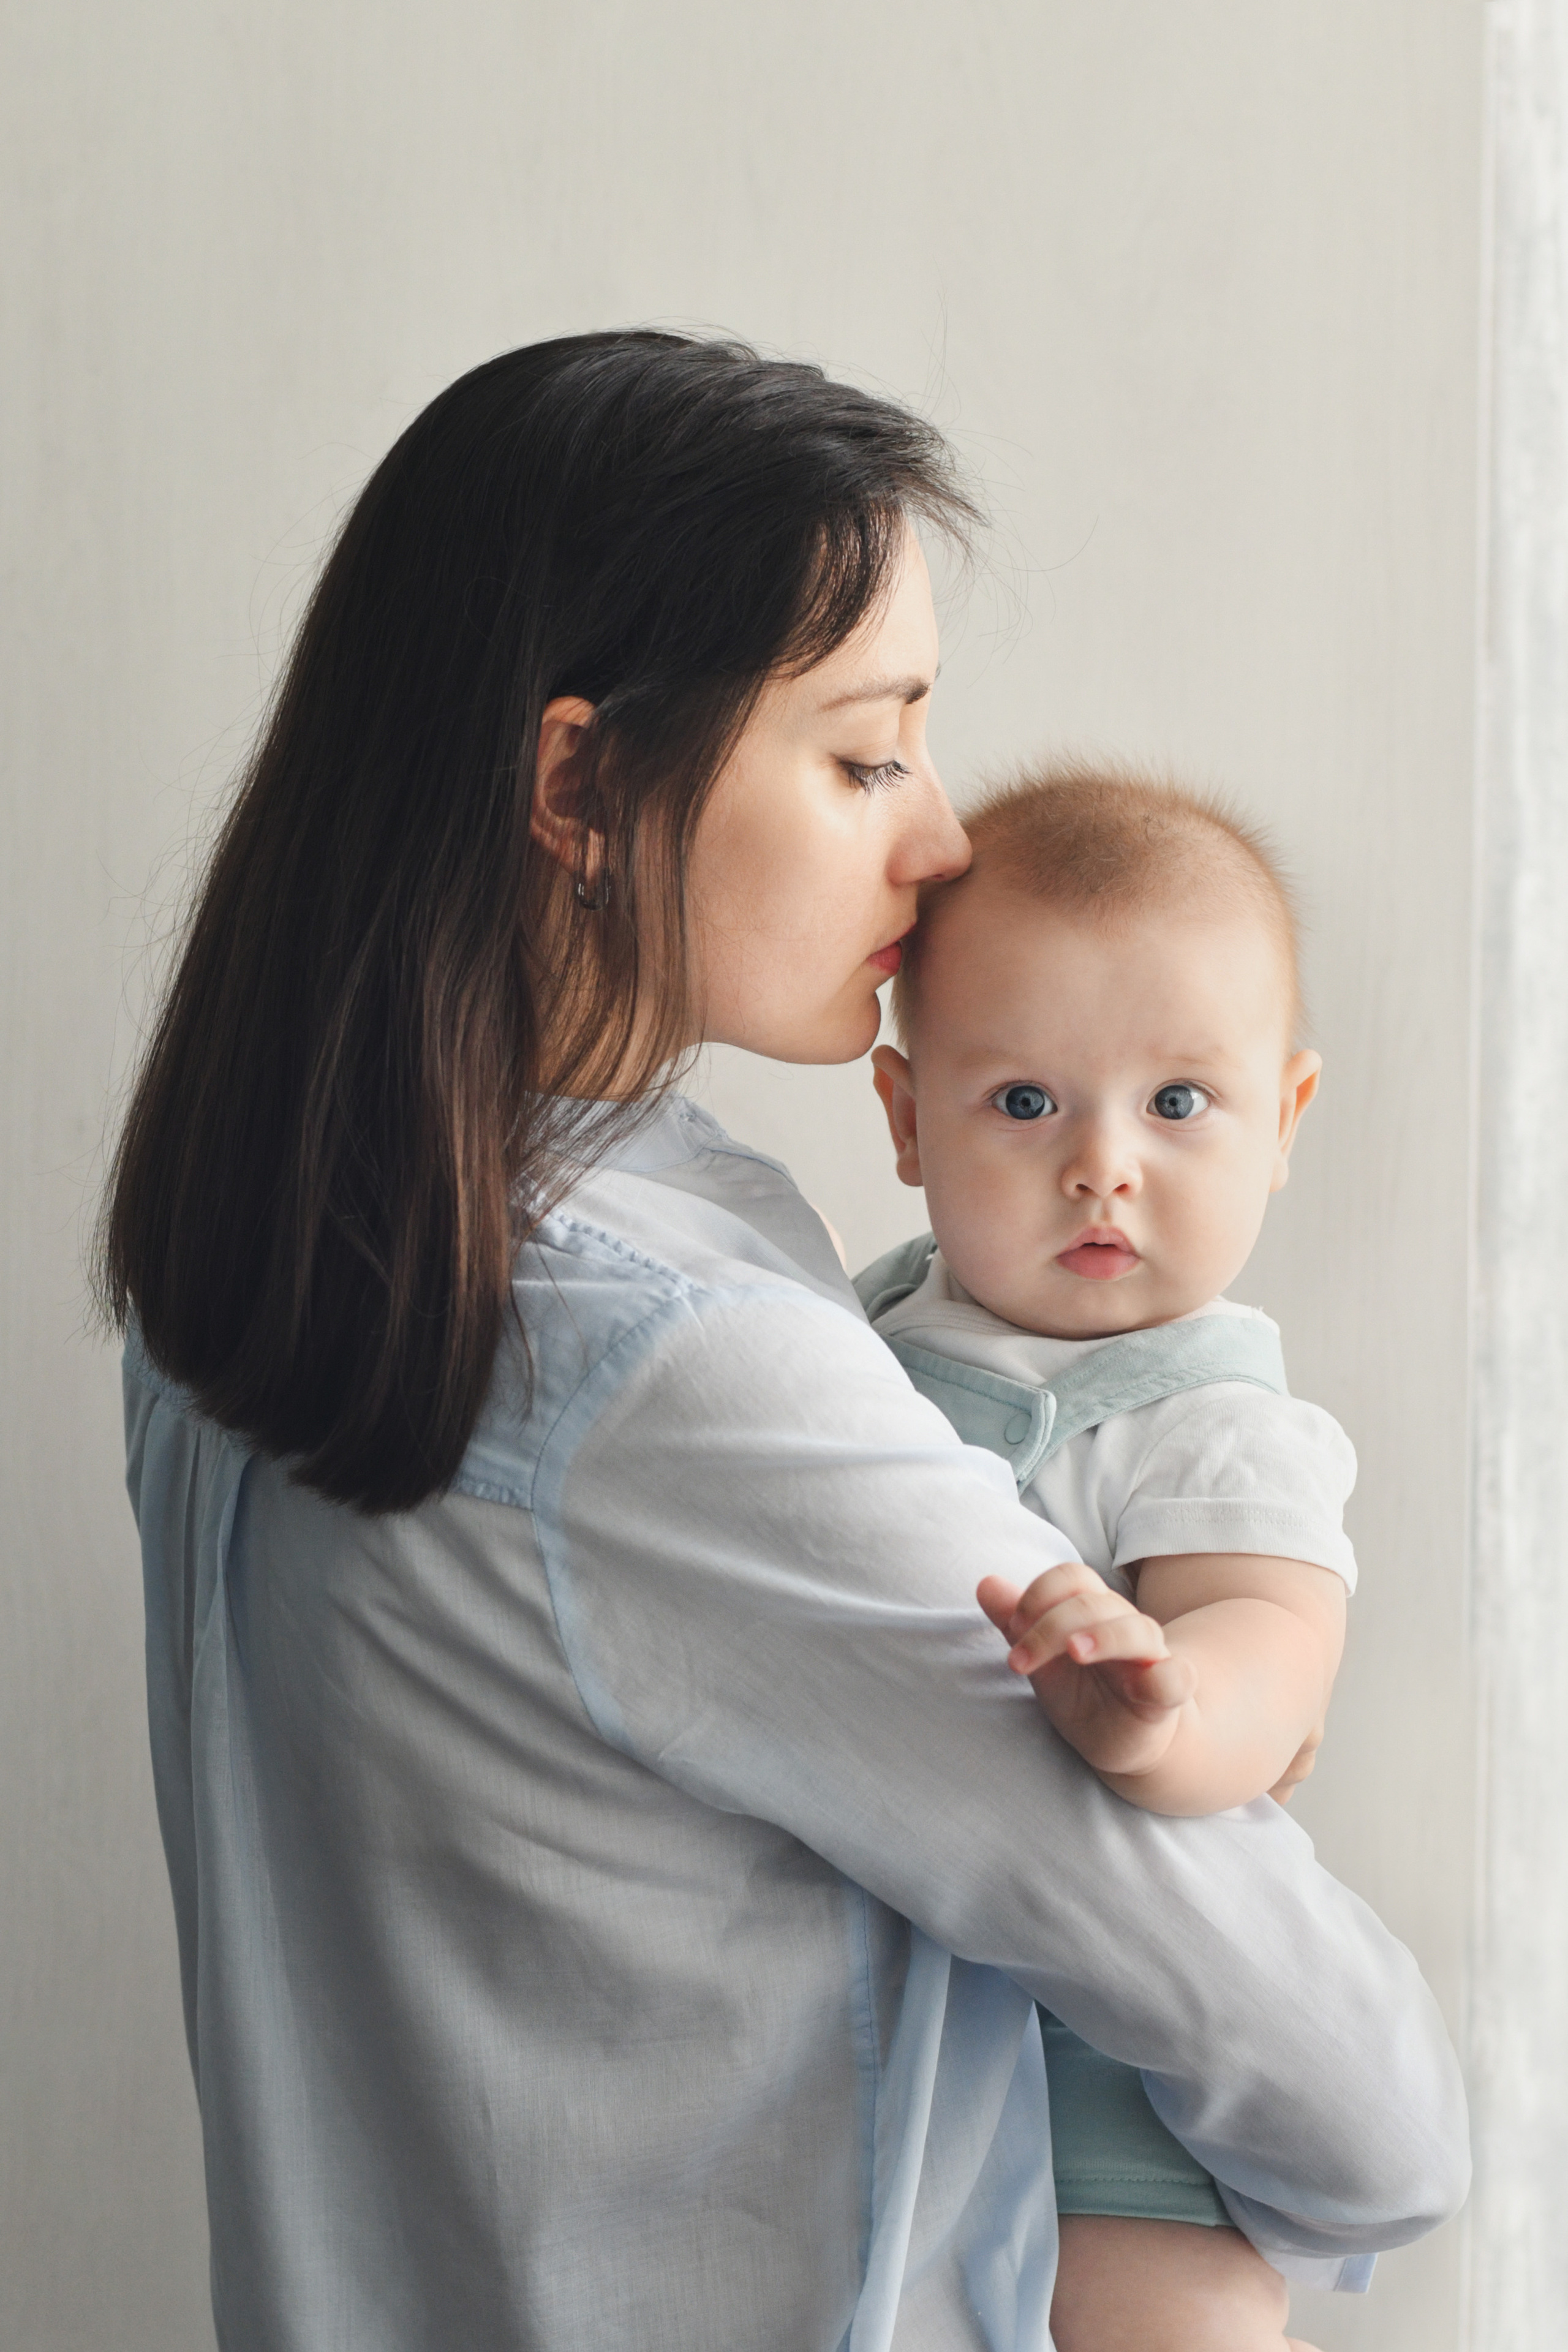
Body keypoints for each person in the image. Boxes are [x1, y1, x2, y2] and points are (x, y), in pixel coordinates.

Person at [99, 331, 1466, 2352]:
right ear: (579, 783)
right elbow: (1365, 2107)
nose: (934, 845)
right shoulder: (661, 1356)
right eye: (862, 754)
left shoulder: (266, 1240)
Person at [864, 763, 1365, 2346]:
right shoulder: (849, 1337)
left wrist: (1164, 1708)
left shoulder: (1212, 1421)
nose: (1103, 1165)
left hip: (1120, 2079)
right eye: (1025, 1102)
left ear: (1281, 1121)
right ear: (904, 1115)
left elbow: (1269, 1646)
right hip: (880, 2050)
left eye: (1177, 1104)